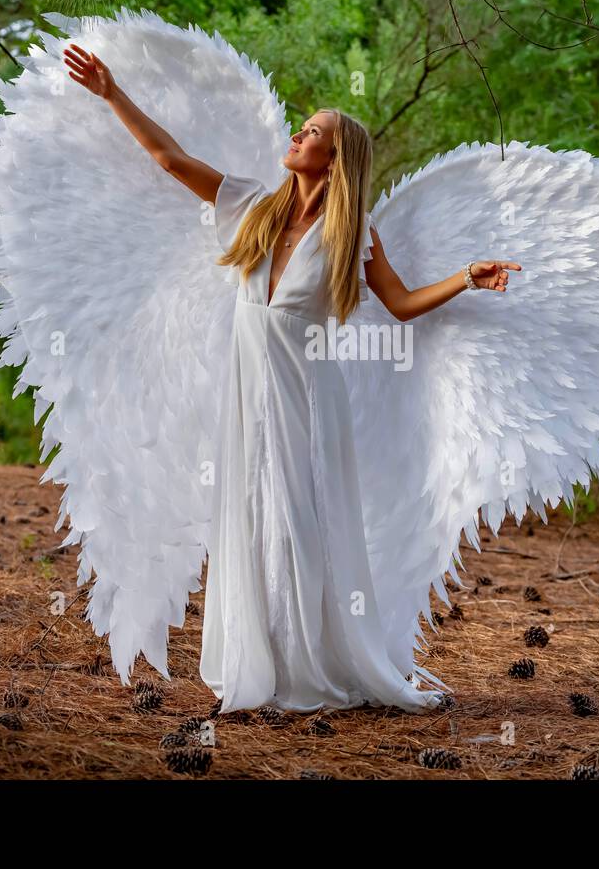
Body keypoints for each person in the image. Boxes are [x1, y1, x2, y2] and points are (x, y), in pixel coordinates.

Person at [63, 42, 521, 713]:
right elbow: (169, 158)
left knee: (301, 525)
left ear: (334, 161)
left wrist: (466, 278)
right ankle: (259, 665)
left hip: (307, 395)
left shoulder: (351, 232)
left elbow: (398, 304)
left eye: (311, 133)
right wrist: (111, 91)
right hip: (248, 391)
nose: (297, 136)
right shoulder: (256, 205)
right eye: (303, 127)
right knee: (250, 518)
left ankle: (310, 667)